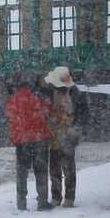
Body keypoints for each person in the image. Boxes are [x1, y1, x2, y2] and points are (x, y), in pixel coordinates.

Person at [6, 74, 54, 211]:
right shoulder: (38, 97)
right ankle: (42, 201)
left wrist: (16, 137)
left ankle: (21, 203)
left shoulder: (14, 99)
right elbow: (47, 111)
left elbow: (11, 118)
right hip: (39, 139)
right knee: (41, 171)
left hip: (22, 141)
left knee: (22, 173)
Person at [44, 67, 89, 208]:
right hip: (54, 135)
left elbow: (83, 114)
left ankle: (69, 198)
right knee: (54, 168)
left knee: (68, 168)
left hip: (68, 135)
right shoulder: (51, 92)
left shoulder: (76, 94)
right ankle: (56, 197)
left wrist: (75, 129)